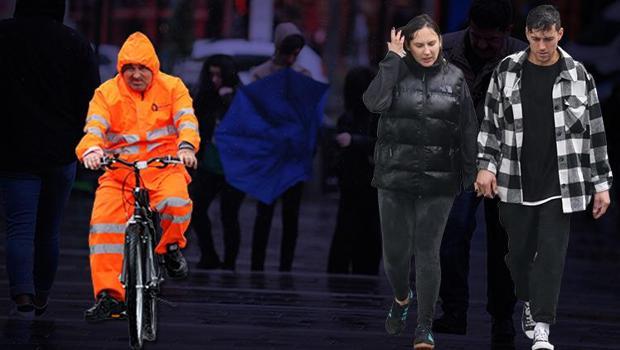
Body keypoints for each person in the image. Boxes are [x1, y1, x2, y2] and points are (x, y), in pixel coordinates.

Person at [476, 5, 612, 350]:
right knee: (517, 256)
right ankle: (528, 299)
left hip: (561, 182)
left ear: (560, 34)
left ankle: (542, 325)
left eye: (548, 38)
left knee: (551, 253)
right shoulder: (507, 71)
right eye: (535, 38)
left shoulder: (579, 75)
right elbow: (491, 125)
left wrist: (602, 185)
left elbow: (595, 133)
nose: (541, 46)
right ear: (527, 35)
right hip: (513, 178)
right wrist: (485, 166)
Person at [363, 14, 478, 349]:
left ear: (440, 42)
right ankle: (402, 298)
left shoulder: (456, 79)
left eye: (432, 43)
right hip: (394, 176)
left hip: (439, 179)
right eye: (419, 45)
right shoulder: (394, 72)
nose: (427, 50)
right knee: (395, 256)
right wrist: (391, 61)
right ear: (408, 47)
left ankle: (424, 326)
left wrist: (470, 175)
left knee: (428, 252)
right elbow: (374, 102)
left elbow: (468, 129)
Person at [77, 32, 200, 322]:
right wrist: (92, 150)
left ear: (153, 69)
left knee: (177, 203)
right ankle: (110, 297)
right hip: (120, 172)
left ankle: (171, 249)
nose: (135, 74)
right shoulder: (107, 93)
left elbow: (186, 120)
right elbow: (94, 126)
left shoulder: (172, 87)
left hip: (164, 167)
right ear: (120, 70)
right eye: (128, 68)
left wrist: (186, 147)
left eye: (142, 68)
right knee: (104, 228)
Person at [433, 0, 526, 343]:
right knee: (451, 233)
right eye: (477, 37)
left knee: (506, 244)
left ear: (508, 32)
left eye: (492, 40)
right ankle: (454, 310)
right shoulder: (441, 49)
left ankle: (502, 317)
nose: (483, 45)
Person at [0, 0, 100, 318]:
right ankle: (42, 292)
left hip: (13, 150)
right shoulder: (75, 43)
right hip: (60, 151)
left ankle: (23, 294)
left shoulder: (3, 37)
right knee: (49, 229)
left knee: (19, 228)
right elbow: (91, 100)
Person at [248, 22, 311, 272]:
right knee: (264, 213)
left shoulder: (303, 75)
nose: (292, 58)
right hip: (270, 155)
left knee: (291, 215)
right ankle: (257, 266)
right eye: (288, 52)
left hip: (293, 155)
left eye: (296, 53)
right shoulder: (261, 74)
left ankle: (285, 266)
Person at [190, 54, 245, 270]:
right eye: (211, 74)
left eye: (218, 75)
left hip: (234, 166)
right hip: (210, 163)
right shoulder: (205, 97)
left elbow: (245, 124)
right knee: (196, 207)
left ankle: (229, 262)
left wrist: (228, 99)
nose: (215, 80)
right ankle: (209, 254)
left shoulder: (239, 96)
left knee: (229, 214)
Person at [327, 67, 381, 275]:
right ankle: (361, 268)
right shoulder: (366, 114)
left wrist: (353, 142)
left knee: (351, 226)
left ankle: (348, 268)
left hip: (359, 179)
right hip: (363, 179)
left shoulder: (356, 116)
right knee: (363, 227)